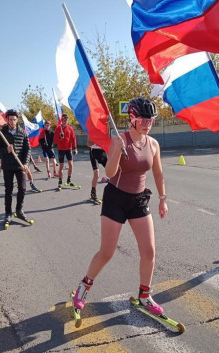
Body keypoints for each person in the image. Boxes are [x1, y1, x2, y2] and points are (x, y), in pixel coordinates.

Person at [72, 97, 168, 315]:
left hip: (139, 200)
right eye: (143, 118)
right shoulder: (120, 139)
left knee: (149, 251)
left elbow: (158, 173)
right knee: (107, 252)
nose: (147, 122)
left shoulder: (153, 144)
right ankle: (84, 286)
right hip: (116, 198)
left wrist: (163, 198)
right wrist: (116, 149)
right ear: (132, 118)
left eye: (150, 118)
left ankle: (144, 295)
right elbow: (110, 173)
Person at [0, 109, 32, 223]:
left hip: (20, 165)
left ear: (17, 119)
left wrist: (26, 163)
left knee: (23, 188)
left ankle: (19, 210)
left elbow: (27, 149)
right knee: (8, 190)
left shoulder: (23, 132)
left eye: (14, 119)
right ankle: (8, 213)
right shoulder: (1, 133)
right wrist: (6, 149)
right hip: (7, 166)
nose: (12, 121)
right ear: (7, 119)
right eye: (10, 119)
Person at [54, 114, 78, 187]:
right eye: (64, 120)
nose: (66, 121)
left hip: (69, 149)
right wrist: (60, 137)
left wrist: (75, 148)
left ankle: (69, 179)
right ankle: (60, 180)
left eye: (67, 120)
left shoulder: (70, 128)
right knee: (61, 166)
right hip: (61, 149)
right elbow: (55, 141)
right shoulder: (58, 129)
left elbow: (73, 138)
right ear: (62, 120)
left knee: (71, 164)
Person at [87, 136, 108, 201]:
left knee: (113, 171)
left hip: (102, 152)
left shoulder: (104, 130)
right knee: (96, 173)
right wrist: (96, 140)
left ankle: (113, 192)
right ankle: (93, 192)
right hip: (94, 152)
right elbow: (88, 144)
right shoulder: (92, 131)